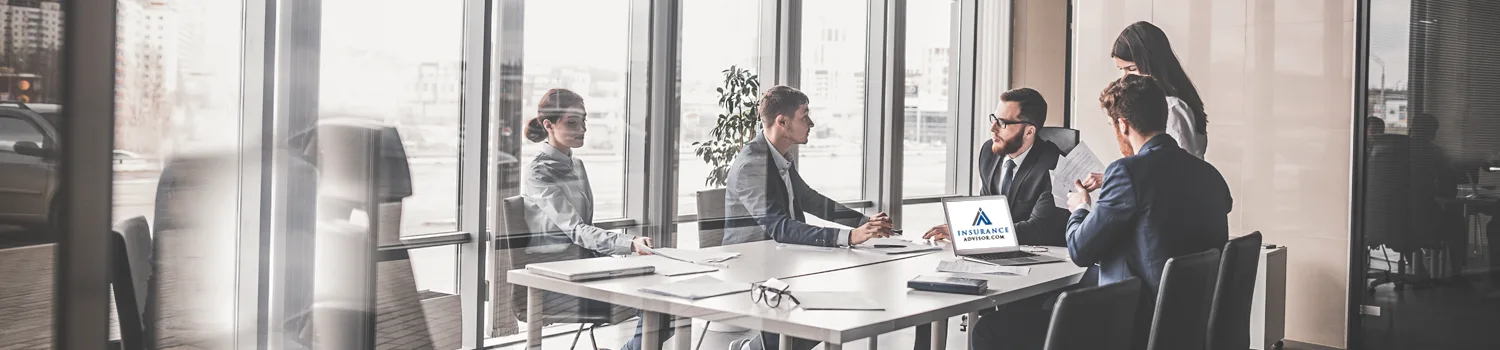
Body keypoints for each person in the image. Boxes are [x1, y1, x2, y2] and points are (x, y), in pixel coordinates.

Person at [1066, 74, 1233, 350]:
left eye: (1112, 125)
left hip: (1139, 323)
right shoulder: (1209, 174)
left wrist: (1080, 207)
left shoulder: (1125, 172)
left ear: (1123, 124)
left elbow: (1080, 250)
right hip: (1194, 320)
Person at [724, 85, 895, 350]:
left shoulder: (779, 158)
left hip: (782, 259)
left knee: (833, 309)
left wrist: (864, 223)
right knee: (824, 315)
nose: (811, 123)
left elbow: (811, 200)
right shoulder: (752, 164)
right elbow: (779, 227)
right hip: (753, 265)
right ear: (782, 121)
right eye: (804, 116)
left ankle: (752, 348)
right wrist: (849, 237)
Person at [920, 87, 1068, 350]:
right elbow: (986, 210)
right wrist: (963, 229)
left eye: (1003, 123)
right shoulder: (989, 152)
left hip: (1038, 270)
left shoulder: (1054, 164)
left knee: (990, 329)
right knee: (929, 294)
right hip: (995, 256)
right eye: (994, 118)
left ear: (1030, 130)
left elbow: (1039, 228)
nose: (993, 128)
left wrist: (966, 234)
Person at [516, 88, 661, 350]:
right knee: (660, 303)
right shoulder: (538, 172)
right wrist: (628, 243)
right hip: (557, 280)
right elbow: (576, 229)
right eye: (572, 122)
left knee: (665, 298)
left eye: (584, 121)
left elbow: (585, 229)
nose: (582, 128)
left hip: (586, 268)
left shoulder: (576, 165)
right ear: (549, 125)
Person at [1112, 21, 1209, 159]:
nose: (1125, 78)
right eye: (1122, 70)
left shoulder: (1173, 108)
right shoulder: (1158, 104)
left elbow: (1180, 172)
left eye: (1131, 69)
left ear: (1152, 64)